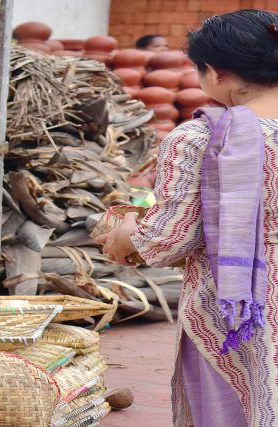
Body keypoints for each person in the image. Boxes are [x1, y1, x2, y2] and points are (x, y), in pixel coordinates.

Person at [97, 10, 278, 427]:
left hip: (240, 309)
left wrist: (127, 234)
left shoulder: (202, 139)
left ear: (214, 72)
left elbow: (167, 240)